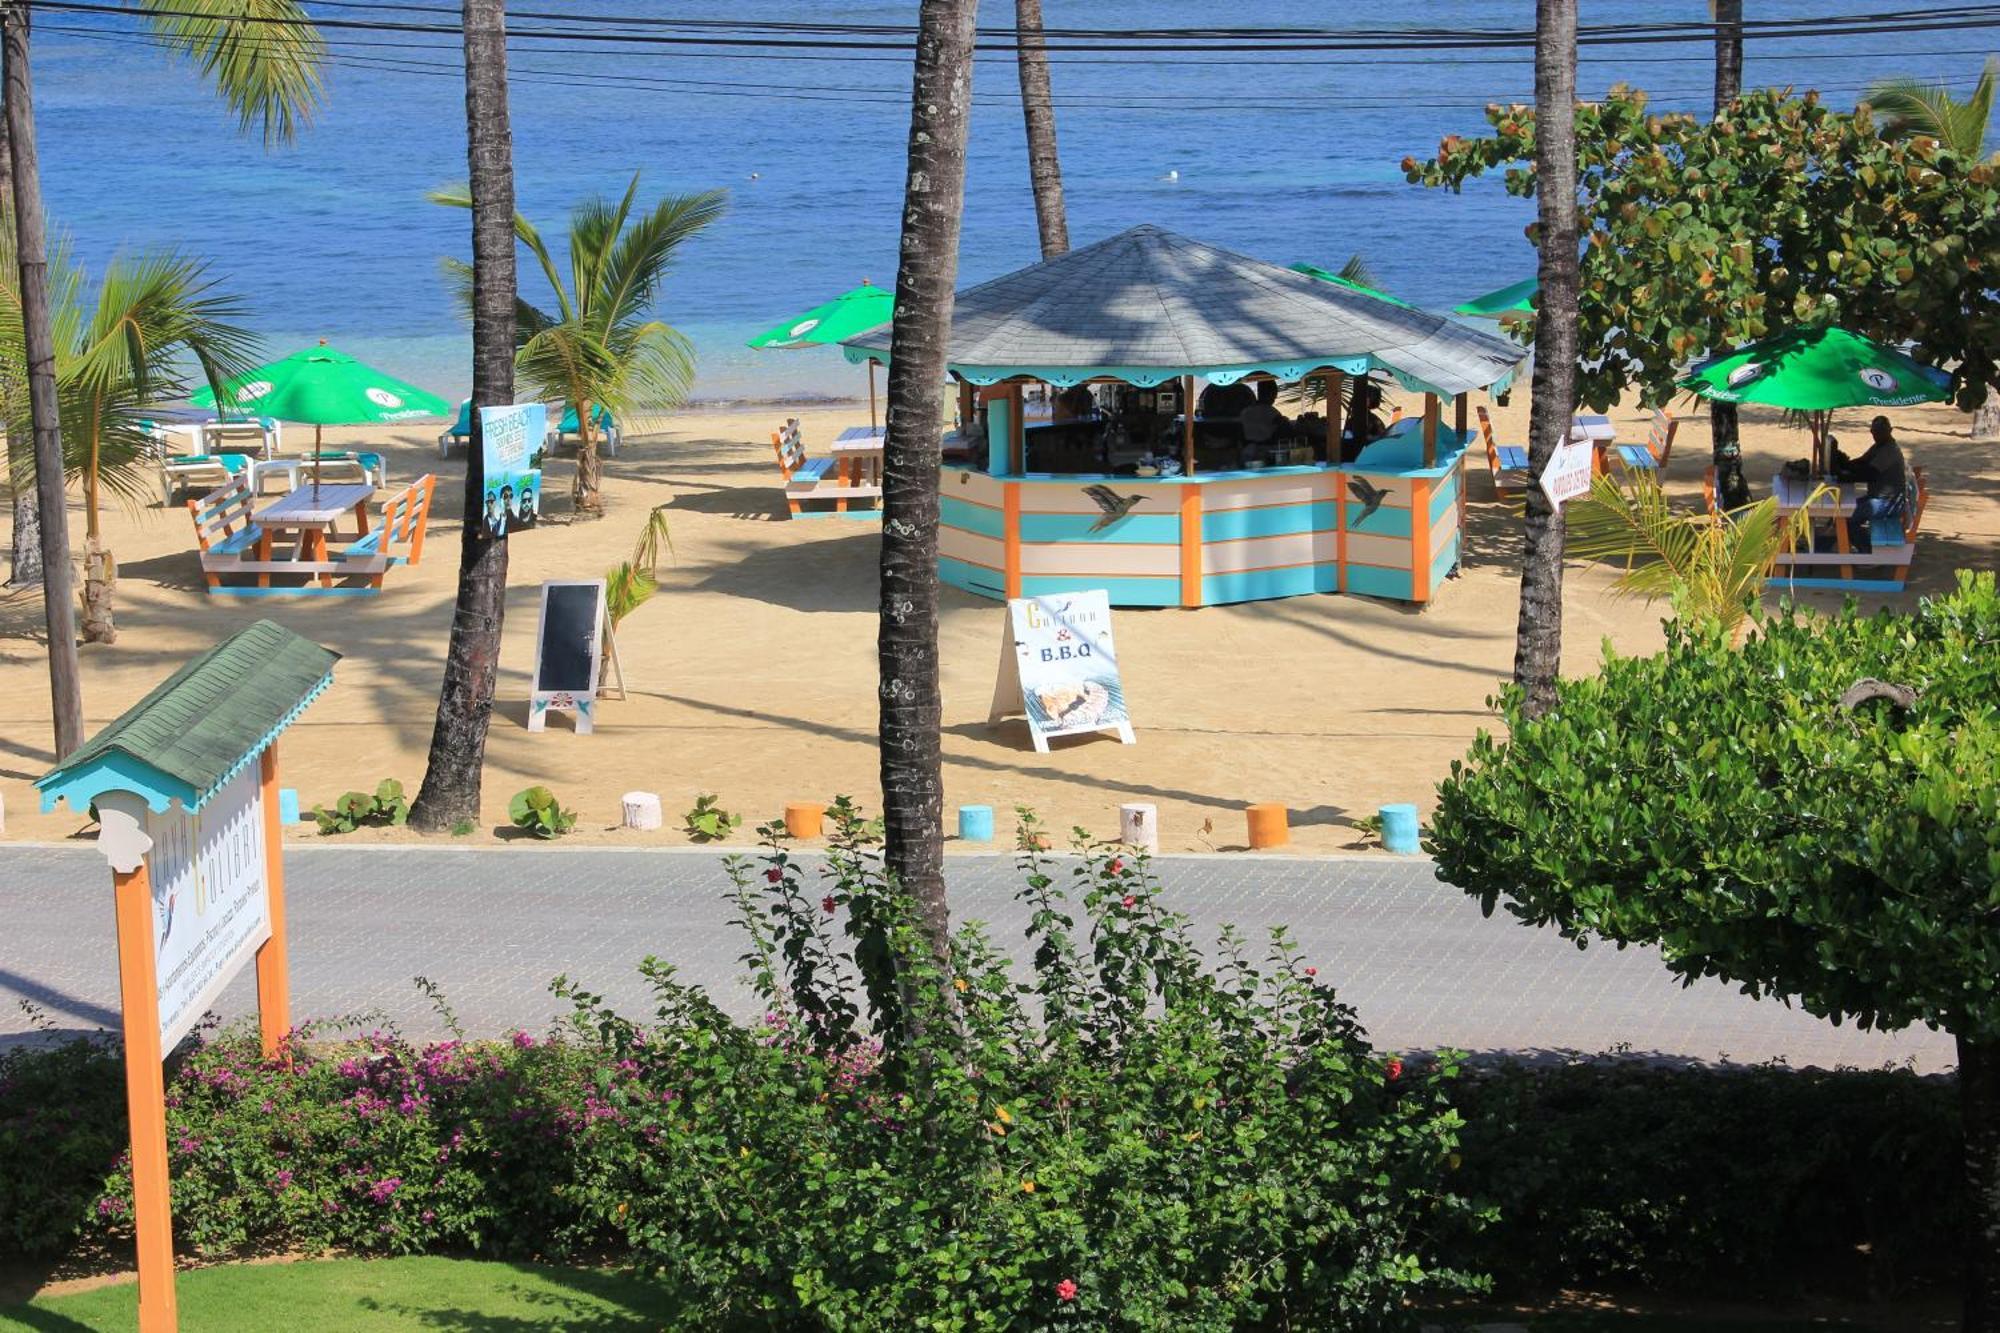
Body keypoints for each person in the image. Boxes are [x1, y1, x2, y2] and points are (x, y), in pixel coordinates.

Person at [1831, 415, 1908, 554]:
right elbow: (1862, 462)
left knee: (1847, 519)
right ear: (1872, 432)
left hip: (1887, 502)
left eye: (1880, 432)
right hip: (1877, 496)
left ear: (1890, 431)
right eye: (1875, 432)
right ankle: (1838, 543)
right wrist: (1844, 464)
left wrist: (1845, 474)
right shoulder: (1879, 446)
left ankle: (1867, 551)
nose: (1877, 435)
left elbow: (1868, 474)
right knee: (1840, 511)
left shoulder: (1890, 451)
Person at [1239, 380, 1289, 447]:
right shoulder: (1271, 412)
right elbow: (1283, 428)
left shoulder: (1245, 411)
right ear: (1271, 394)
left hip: (1247, 448)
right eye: (1274, 396)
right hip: (1265, 448)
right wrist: (1284, 421)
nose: (1274, 399)